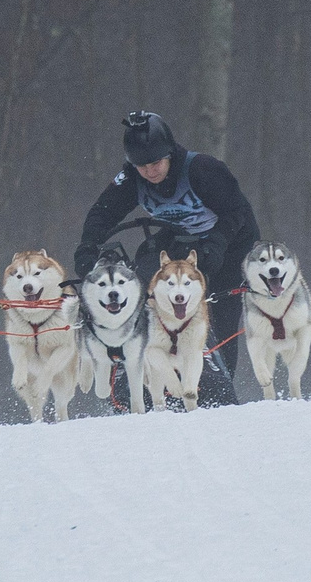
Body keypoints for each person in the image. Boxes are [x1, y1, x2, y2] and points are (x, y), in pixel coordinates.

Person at [74, 110, 259, 407]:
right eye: (142, 165)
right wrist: (87, 247)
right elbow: (102, 213)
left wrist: (217, 244)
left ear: (170, 153)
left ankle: (216, 382)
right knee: (145, 276)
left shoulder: (202, 170)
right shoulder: (132, 179)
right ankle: (140, 371)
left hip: (229, 241)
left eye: (156, 162)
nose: (150, 171)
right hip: (179, 240)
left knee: (220, 312)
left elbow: (237, 211)